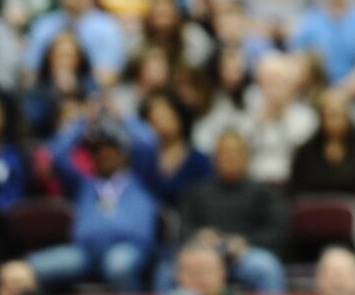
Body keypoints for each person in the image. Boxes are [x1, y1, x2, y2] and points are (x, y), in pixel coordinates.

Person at [27, 114, 161, 292]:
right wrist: (82, 123)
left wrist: (123, 116)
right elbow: (57, 154)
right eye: (99, 151)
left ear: (123, 154)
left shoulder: (140, 179)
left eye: (111, 149)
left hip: (128, 247)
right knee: (31, 266)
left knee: (118, 266)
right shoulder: (84, 183)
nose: (104, 154)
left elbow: (149, 144)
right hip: (84, 252)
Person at [161, 130, 285, 294]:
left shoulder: (263, 192)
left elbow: (276, 231)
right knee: (166, 270)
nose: (229, 157)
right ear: (215, 158)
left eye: (235, 152)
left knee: (267, 267)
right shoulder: (197, 190)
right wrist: (199, 236)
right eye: (224, 153)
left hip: (243, 255)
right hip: (202, 254)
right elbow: (182, 227)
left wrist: (245, 242)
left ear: (246, 157)